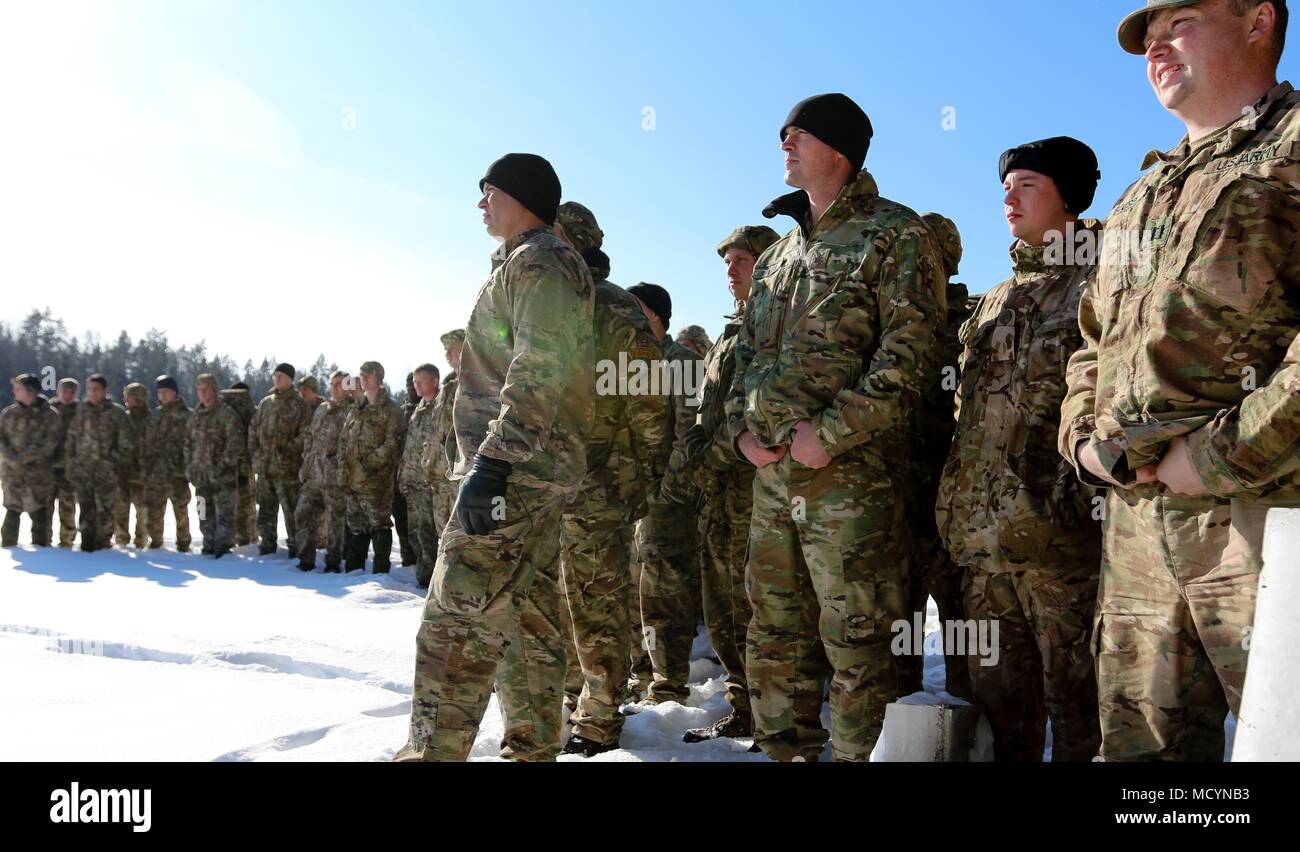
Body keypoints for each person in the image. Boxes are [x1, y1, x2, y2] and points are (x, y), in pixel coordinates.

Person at [1061, 0, 1298, 761]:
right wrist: (1082, 443)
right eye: (1147, 41)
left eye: (1180, 23)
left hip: (1268, 516)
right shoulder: (1143, 194)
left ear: (1258, 20)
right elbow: (1092, 341)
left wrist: (1222, 455)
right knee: (1143, 757)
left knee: (1286, 737)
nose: (1156, 49)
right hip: (1137, 526)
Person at [726, 92, 946, 761]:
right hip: (773, 479)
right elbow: (748, 356)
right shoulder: (778, 258)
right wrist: (742, 431)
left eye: (798, 134)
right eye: (782, 134)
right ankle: (787, 752)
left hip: (849, 480)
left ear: (840, 150)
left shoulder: (896, 234)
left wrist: (834, 431)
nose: (785, 144)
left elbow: (912, 353)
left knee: (855, 639)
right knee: (774, 633)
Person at [398, 152, 593, 762]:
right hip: (531, 469)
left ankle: (434, 753)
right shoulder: (524, 263)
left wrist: (495, 463)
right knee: (527, 613)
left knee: (455, 617)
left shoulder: (540, 263)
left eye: (489, 191)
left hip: (515, 470)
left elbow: (540, 364)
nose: (481, 203)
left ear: (523, 196)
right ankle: (533, 749)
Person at [936, 138, 1104, 761]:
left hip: (1063, 547)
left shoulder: (1103, 281)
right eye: (1007, 184)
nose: (1010, 194)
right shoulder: (994, 302)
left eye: (1028, 184)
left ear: (1068, 196)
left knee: (1082, 718)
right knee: (1004, 716)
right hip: (985, 548)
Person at [551, 201, 669, 757]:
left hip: (599, 486)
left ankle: (599, 714)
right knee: (561, 599)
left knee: (597, 602)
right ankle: (572, 697)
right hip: (550, 489)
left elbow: (651, 404)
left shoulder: (613, 308)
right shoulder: (550, 303)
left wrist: (634, 483)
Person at [664, 225, 780, 744]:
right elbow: (705, 412)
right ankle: (745, 706)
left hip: (751, 493)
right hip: (719, 496)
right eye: (727, 262)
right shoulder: (731, 332)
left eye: (741, 260)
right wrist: (696, 451)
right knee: (723, 611)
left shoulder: (775, 323)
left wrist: (708, 455)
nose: (730, 270)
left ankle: (775, 716)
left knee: (759, 611)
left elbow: (759, 417)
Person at [339, 361, 405, 573]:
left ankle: (380, 573)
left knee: (379, 524)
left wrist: (369, 464)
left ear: (379, 379)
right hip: (352, 479)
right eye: (362, 376)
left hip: (376, 481)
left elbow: (392, 443)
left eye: (369, 376)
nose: (364, 380)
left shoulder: (390, 410)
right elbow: (344, 440)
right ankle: (354, 570)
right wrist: (343, 466)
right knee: (356, 526)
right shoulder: (356, 409)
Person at [248, 364, 312, 557]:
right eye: (275, 375)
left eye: (281, 376)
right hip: (266, 469)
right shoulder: (266, 403)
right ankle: (267, 544)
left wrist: (289, 449)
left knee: (291, 512)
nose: (277, 379)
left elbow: (307, 433)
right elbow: (253, 431)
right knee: (266, 510)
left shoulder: (299, 405)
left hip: (288, 470)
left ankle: (295, 546)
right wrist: (257, 456)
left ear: (290, 379)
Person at [65, 374, 133, 553]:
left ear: (105, 391)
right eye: (89, 389)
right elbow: (71, 439)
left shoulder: (116, 413)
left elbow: (126, 443)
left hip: (106, 473)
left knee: (105, 510)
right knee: (86, 508)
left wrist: (113, 464)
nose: (92, 393)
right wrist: (72, 463)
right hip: (83, 470)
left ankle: (103, 545)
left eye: (96, 389)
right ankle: (87, 544)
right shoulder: (82, 411)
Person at [186, 374, 245, 558]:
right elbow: (188, 443)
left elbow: (236, 443)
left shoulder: (226, 414)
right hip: (201, 479)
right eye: (199, 390)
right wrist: (191, 467)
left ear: (214, 390)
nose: (202, 393)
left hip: (223, 479)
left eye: (206, 389)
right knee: (203, 513)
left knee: (224, 516)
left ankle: (223, 550)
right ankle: (208, 544)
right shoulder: (195, 417)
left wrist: (221, 466)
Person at [0, 373, 60, 547]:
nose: (14, 391)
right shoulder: (8, 414)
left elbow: (50, 443)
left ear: (30, 391)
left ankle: (41, 552)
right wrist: (12, 457)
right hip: (12, 474)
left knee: (40, 513)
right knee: (12, 511)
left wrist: (25, 458)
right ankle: (8, 547)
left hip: (38, 476)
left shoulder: (50, 416)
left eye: (18, 388)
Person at [144, 375, 192, 552]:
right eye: (159, 392)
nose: (162, 395)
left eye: (166, 392)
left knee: (180, 509)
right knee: (154, 510)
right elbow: (147, 443)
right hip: (156, 472)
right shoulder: (154, 415)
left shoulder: (187, 415)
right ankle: (156, 541)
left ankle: (184, 542)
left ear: (175, 393)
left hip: (178, 472)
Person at [47, 378, 80, 547]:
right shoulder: (47, 409)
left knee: (68, 506)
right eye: (64, 391)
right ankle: (43, 541)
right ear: (58, 391)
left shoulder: (81, 411)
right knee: (46, 506)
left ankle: (66, 540)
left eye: (71, 392)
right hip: (49, 467)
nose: (67, 395)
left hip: (70, 467)